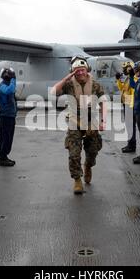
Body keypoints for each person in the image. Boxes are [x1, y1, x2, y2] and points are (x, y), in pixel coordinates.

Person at [51, 56, 106, 194]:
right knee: (74, 154)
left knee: (93, 151)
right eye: (77, 71)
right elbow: (53, 92)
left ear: (87, 69)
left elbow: (103, 102)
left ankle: (88, 166)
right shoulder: (69, 84)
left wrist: (103, 120)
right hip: (74, 121)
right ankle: (77, 180)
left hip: (91, 122)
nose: (80, 73)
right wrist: (66, 78)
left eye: (82, 70)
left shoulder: (95, 85)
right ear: (73, 71)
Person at [116, 61, 138, 153]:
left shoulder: (134, 78)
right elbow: (122, 89)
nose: (123, 71)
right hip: (126, 103)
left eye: (125, 69)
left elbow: (134, 87)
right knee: (128, 126)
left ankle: (132, 145)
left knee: (130, 126)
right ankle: (130, 144)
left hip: (130, 104)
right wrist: (118, 80)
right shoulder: (128, 78)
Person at [0, 67, 17, 167]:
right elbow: (10, 91)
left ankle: (5, 156)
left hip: (10, 116)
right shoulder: (2, 86)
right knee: (5, 138)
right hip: (5, 117)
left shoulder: (8, 85)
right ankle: (2, 158)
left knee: (9, 138)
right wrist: (14, 79)